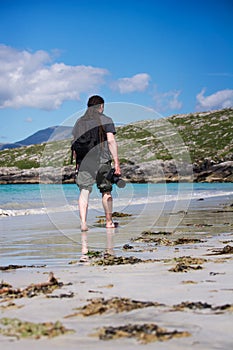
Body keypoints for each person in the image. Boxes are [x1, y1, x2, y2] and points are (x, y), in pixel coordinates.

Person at [72, 95, 121, 231]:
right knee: (106, 191)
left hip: (84, 162)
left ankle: (83, 223)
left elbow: (75, 145)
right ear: (101, 106)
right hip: (102, 160)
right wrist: (116, 162)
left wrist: (77, 164)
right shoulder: (106, 120)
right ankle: (109, 222)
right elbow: (111, 141)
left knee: (84, 191)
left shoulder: (79, 122)